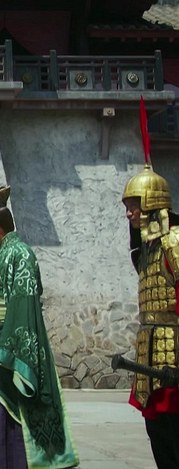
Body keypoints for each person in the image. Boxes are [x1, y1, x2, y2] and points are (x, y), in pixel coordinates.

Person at [0, 186, 78, 468]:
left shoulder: (21, 254)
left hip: (11, 342)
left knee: (15, 407)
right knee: (0, 406)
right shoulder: (3, 252)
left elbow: (23, 303)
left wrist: (10, 350)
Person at [121, 161, 179, 468]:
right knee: (158, 434)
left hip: (174, 357)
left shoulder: (174, 242)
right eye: (127, 207)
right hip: (150, 357)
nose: (129, 214)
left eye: (134, 206)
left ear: (152, 204)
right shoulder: (147, 250)